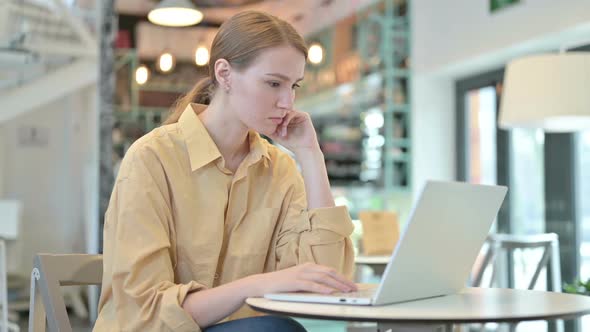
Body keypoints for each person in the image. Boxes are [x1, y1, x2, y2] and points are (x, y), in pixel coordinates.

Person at [94, 10, 357, 332]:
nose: (287, 102)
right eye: (274, 83)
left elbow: (323, 279)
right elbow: (146, 311)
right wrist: (255, 285)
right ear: (225, 74)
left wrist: (311, 155)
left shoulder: (281, 169)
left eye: (294, 86)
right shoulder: (152, 158)